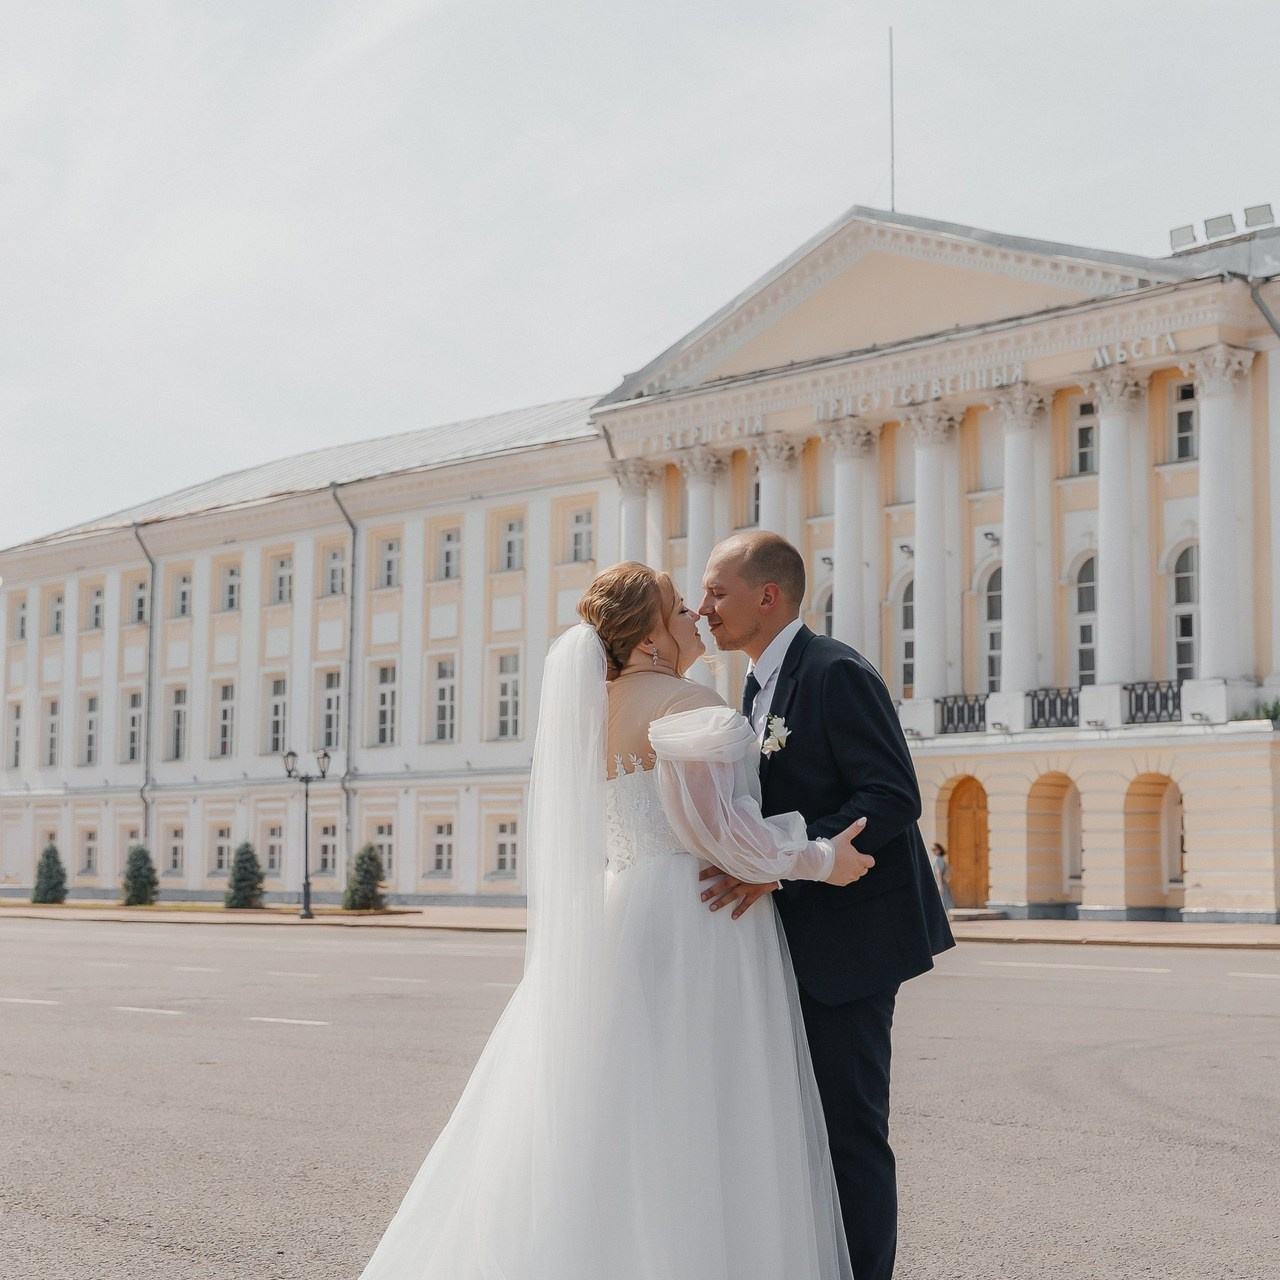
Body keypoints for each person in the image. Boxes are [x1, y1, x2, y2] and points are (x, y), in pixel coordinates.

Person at [358, 562, 874, 1280]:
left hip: (620, 912)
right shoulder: (689, 703)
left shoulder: (589, 711)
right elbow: (716, 834)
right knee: (702, 1107)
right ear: (652, 635)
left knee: (616, 1110)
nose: (696, 611)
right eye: (677, 606)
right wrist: (820, 858)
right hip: (696, 919)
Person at [697, 531, 955, 1280]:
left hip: (853, 947)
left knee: (849, 1133)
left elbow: (891, 796)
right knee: (803, 1129)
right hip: (802, 942)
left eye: (717, 592)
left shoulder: (834, 671)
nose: (703, 606)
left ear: (767, 596)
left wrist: (780, 863)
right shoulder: (755, 686)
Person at [930, 842, 955, 911]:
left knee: (941, 902)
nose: (933, 851)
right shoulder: (939, 859)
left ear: (939, 850)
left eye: (935, 849)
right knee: (943, 901)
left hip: (939, 883)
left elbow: (938, 872)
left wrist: (939, 885)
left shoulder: (937, 859)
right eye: (932, 849)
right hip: (941, 883)